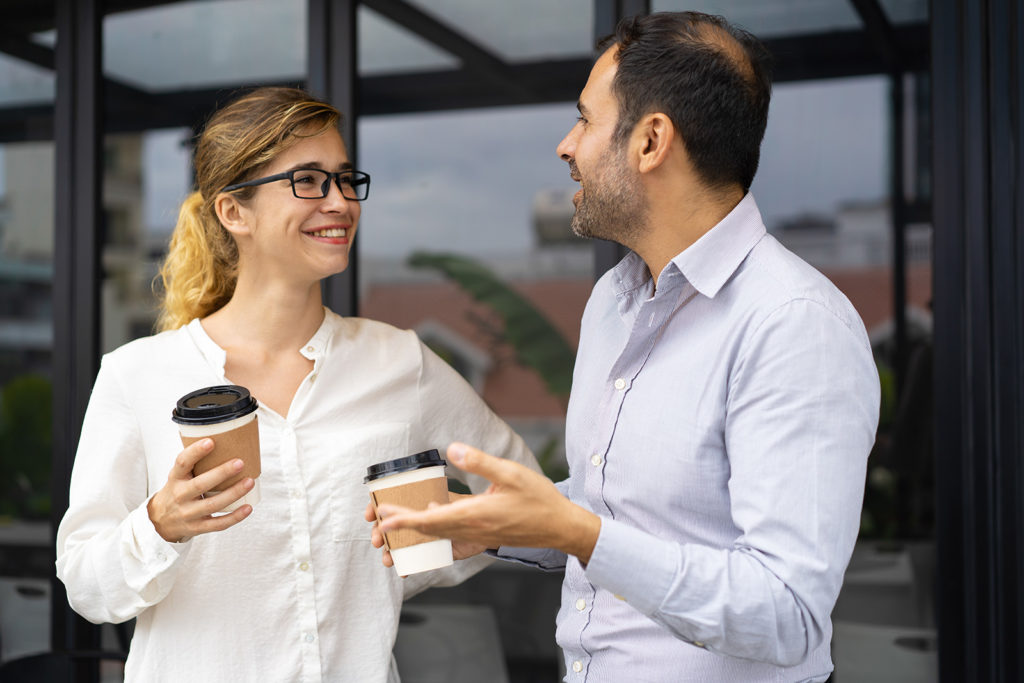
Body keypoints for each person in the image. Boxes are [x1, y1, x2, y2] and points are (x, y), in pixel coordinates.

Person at [371, 11, 880, 682]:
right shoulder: (614, 300)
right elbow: (614, 509)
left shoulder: (793, 324)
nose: (565, 145)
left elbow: (785, 613)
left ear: (650, 141)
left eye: (585, 120)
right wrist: (494, 525)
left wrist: (578, 532)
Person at [55, 86, 538, 683]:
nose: (338, 201)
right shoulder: (137, 375)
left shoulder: (399, 362)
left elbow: (527, 498)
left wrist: (437, 546)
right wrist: (159, 524)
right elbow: (85, 583)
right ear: (234, 212)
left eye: (343, 179)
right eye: (308, 181)